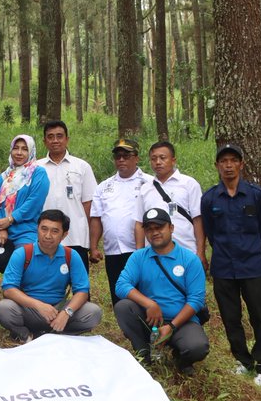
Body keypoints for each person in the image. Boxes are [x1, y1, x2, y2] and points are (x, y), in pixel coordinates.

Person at [201, 143, 261, 388]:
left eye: (233, 160)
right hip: (223, 267)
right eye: (224, 161)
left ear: (241, 164)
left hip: (252, 266)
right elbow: (210, 232)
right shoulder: (210, 198)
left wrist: (247, 248)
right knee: (231, 318)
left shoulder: (257, 195)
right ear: (217, 166)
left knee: (260, 317)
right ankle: (243, 360)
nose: (228, 165)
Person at [113, 208, 209, 375]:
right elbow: (121, 285)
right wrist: (150, 304)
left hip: (181, 321)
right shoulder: (138, 257)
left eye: (159, 227)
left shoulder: (189, 259)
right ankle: (144, 354)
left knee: (198, 347)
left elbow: (196, 300)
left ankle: (181, 358)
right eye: (149, 229)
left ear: (171, 228)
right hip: (151, 319)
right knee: (123, 307)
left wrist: (171, 326)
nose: (155, 232)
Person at [0, 209, 102, 342]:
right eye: (44, 229)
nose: (48, 235)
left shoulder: (71, 256)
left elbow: (82, 291)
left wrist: (66, 312)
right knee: (3, 308)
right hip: (29, 310)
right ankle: (26, 335)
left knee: (93, 312)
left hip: (58, 310)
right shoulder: (22, 253)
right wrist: (39, 305)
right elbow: (9, 289)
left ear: (64, 235)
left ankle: (60, 336)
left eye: (55, 231)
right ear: (37, 229)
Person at [89, 138, 150, 306]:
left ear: (136, 158)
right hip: (113, 251)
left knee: (144, 294)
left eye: (126, 156)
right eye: (118, 156)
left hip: (141, 250)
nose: (121, 160)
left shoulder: (149, 183)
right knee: (119, 295)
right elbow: (96, 218)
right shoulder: (104, 186)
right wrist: (93, 247)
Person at [134, 141, 205, 269]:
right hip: (154, 255)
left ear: (173, 160)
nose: (158, 162)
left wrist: (200, 252)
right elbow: (139, 223)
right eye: (153, 159)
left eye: (163, 158)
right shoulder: (145, 189)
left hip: (186, 251)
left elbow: (198, 219)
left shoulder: (189, 184)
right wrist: (139, 254)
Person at [39, 120, 98, 272]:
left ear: (67, 139)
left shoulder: (82, 167)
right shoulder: (36, 168)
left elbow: (88, 204)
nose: (55, 140)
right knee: (46, 280)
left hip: (76, 236)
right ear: (44, 141)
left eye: (59, 136)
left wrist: (91, 242)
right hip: (45, 238)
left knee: (78, 282)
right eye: (50, 137)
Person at [0, 135, 51, 259]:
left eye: (24, 149)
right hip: (5, 233)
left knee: (23, 264)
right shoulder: (5, 176)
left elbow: (34, 202)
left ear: (31, 152)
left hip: (26, 232)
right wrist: (1, 229)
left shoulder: (38, 173)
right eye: (16, 148)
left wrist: (10, 219)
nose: (19, 152)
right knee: (1, 262)